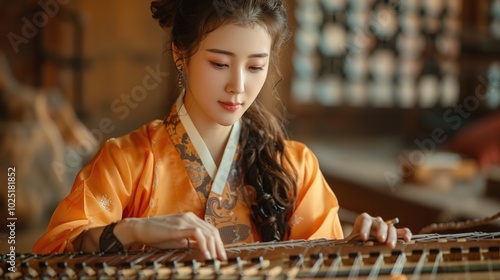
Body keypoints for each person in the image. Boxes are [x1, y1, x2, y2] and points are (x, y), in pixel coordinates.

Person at [33, 0, 412, 260]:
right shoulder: (127, 161)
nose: (238, 86)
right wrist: (133, 231)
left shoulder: (294, 166)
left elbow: (320, 261)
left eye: (255, 67)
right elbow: (53, 249)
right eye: (219, 64)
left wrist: (359, 247)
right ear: (181, 53)